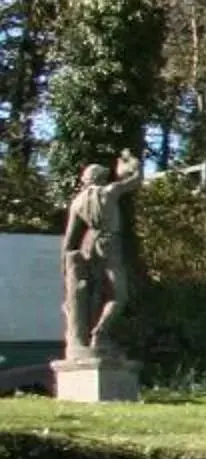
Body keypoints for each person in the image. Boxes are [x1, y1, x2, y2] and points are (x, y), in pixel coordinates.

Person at [60, 152, 143, 357]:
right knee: (119, 295)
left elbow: (70, 239)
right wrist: (130, 162)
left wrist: (65, 264)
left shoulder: (77, 203)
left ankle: (90, 335)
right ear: (100, 178)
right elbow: (137, 179)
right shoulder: (109, 191)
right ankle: (100, 333)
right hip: (110, 244)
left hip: (91, 246)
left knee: (96, 292)